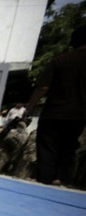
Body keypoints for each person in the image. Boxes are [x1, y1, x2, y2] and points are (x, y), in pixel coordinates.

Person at [25, 25, 86, 186]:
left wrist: (29, 108)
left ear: (74, 41)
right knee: (69, 146)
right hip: (79, 115)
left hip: (55, 112)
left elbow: (43, 87)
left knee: (47, 147)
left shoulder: (61, 60)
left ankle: (45, 179)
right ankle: (61, 177)